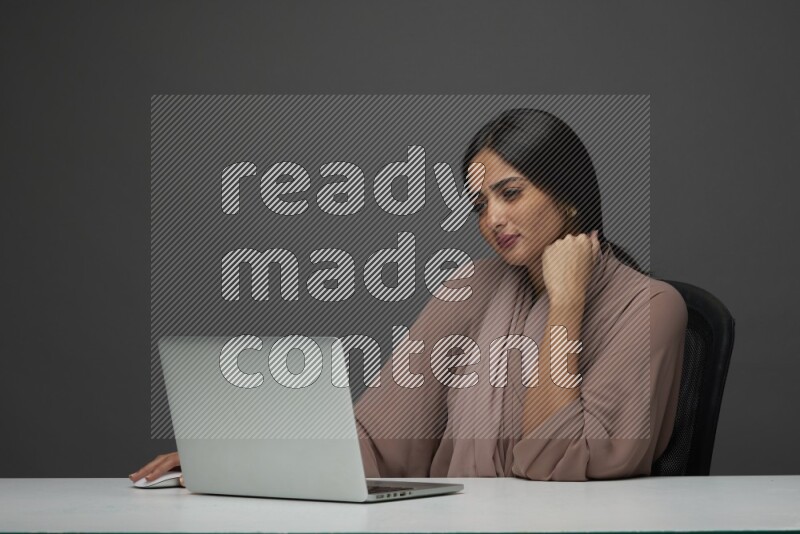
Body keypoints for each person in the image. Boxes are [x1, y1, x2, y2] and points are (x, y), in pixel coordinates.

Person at [130, 108, 687, 485]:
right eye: (478, 204)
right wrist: (233, 460)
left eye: (510, 193)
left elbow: (556, 460)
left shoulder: (652, 308)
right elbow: (377, 438)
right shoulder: (473, 286)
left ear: (568, 195)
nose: (492, 219)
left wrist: (566, 303)